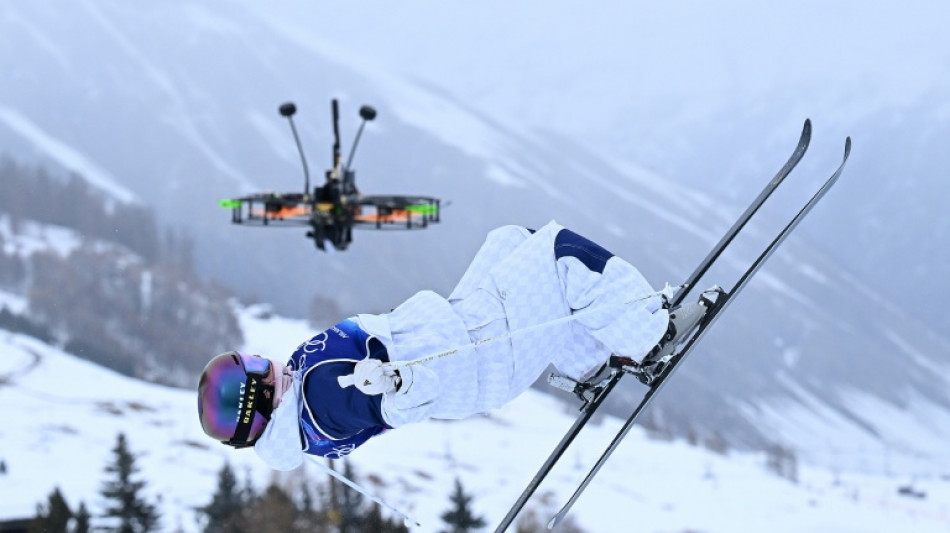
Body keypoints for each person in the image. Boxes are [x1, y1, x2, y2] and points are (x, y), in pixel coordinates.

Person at [197, 221, 684, 469]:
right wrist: (397, 381)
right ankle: (651, 335)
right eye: (258, 368)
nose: (270, 362)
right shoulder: (323, 398)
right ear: (259, 399)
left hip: (462, 326)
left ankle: (592, 359)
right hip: (483, 354)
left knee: (511, 238)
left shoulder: (305, 393)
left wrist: (393, 372)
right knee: (559, 252)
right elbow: (399, 406)